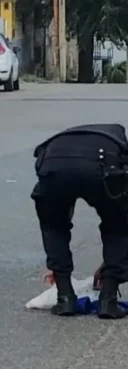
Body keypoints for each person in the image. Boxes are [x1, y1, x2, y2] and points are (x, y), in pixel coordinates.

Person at [32, 123, 128, 319]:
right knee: (118, 227)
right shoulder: (119, 145)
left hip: (52, 166)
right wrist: (114, 266)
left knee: (54, 226)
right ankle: (107, 300)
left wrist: (56, 264)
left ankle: (65, 298)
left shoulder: (67, 138)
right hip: (102, 166)